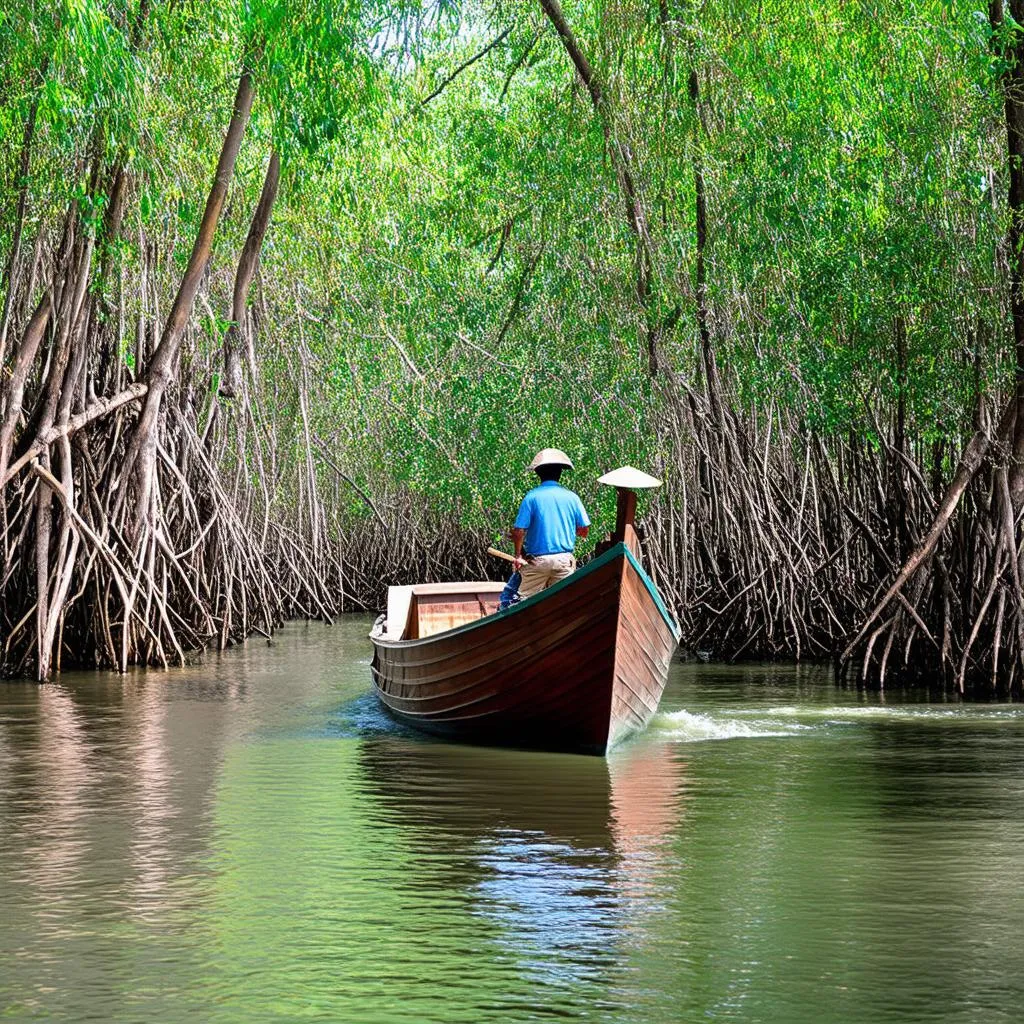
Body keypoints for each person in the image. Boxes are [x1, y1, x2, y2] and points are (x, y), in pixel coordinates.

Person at [510, 448, 590, 599]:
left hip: (537, 562)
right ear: (560, 473)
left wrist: (518, 555)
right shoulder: (572, 497)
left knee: (520, 600)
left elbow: (519, 531)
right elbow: (584, 530)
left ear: (538, 473)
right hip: (564, 561)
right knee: (563, 601)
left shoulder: (531, 497)